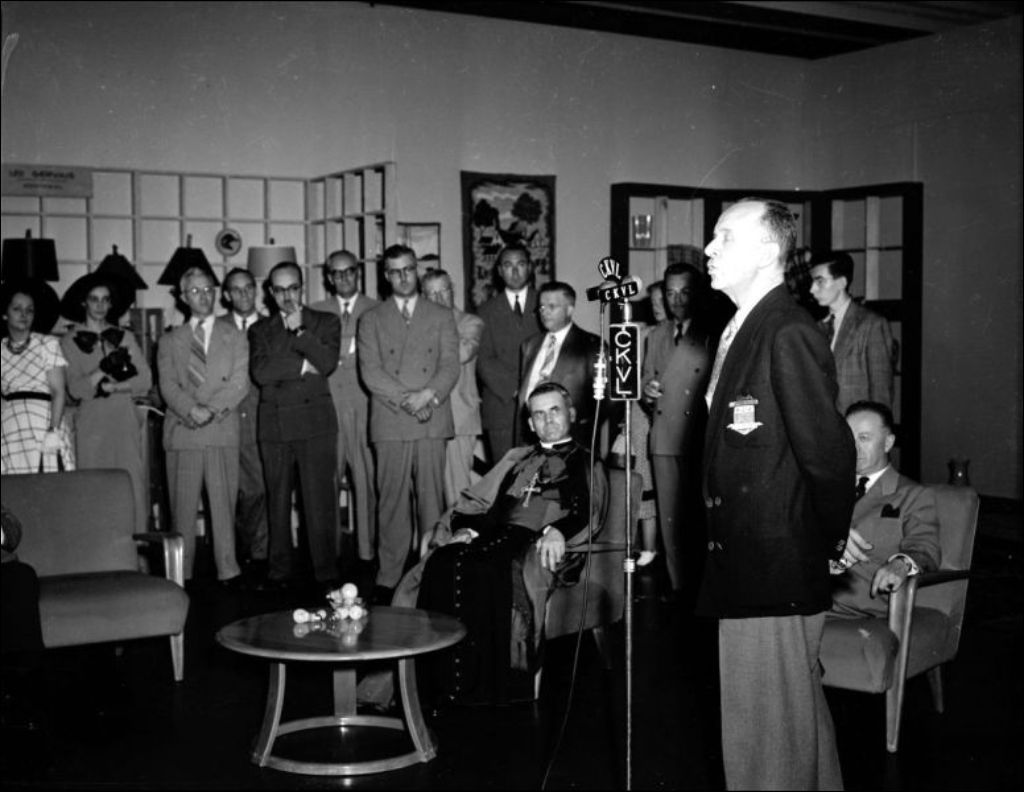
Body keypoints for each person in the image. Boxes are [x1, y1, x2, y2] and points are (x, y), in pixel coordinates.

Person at [700, 198, 855, 790]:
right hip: (749, 560)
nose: (709, 249)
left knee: (766, 737)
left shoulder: (787, 330)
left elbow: (827, 452)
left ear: (769, 250)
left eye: (725, 237)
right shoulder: (742, 326)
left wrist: (827, 539)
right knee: (791, 721)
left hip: (773, 562)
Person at [361, 383, 608, 708]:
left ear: (570, 414)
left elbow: (589, 511)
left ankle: (483, 687)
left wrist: (558, 531)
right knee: (443, 561)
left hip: (535, 543)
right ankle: (429, 682)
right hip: (495, 535)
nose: (548, 420)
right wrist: (464, 528)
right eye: (539, 415)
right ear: (531, 423)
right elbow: (481, 503)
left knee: (489, 570)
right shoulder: (517, 458)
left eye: (554, 411)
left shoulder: (585, 460)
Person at [357, 244, 460, 598]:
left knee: (432, 502)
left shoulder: (441, 315)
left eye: (409, 269)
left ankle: (431, 573)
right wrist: (411, 401)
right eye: (395, 271)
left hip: (432, 418)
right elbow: (371, 372)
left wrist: (428, 395)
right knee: (391, 503)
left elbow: (450, 365)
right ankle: (388, 577)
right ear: (386, 276)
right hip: (391, 420)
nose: (403, 277)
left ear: (417, 270)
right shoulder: (371, 319)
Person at [250, 262, 341, 588]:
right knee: (277, 503)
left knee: (319, 504)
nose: (287, 296)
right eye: (280, 290)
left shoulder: (326, 321)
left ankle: (326, 574)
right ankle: (279, 573)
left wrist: (301, 333)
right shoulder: (259, 330)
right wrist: (303, 364)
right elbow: (261, 373)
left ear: (302, 288)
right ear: (270, 293)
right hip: (275, 425)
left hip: (315, 424)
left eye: (293, 288)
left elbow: (327, 364)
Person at [157, 266, 247, 586]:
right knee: (182, 510)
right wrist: (190, 409)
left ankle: (228, 571)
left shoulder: (235, 336)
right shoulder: (169, 340)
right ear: (183, 297)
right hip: (184, 431)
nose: (203, 296)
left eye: (208, 289)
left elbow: (239, 382)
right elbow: (167, 385)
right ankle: (181, 574)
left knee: (224, 507)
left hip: (220, 430)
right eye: (195, 291)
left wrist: (210, 409)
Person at [828, 401, 940, 619]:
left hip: (858, 609)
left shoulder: (912, 494)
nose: (853, 447)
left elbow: (925, 547)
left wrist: (900, 564)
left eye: (864, 438)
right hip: (805, 598)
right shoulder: (825, 488)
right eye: (848, 438)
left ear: (888, 443)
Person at [60, 272, 152, 533]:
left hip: (123, 419)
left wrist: (113, 387)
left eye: (105, 299)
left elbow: (145, 380)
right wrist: (102, 368)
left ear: (111, 304)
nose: (100, 305)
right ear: (84, 302)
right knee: (93, 485)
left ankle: (136, 548)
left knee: (131, 483)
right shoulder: (69, 341)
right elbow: (76, 389)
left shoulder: (124, 337)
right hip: (92, 423)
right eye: (94, 299)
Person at [640, 263, 712, 596]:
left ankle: (701, 587)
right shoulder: (656, 335)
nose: (677, 300)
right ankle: (677, 586)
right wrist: (647, 390)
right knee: (669, 517)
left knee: (700, 516)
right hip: (665, 436)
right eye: (670, 293)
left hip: (699, 436)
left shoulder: (711, 333)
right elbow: (646, 377)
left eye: (684, 292)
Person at [310, 251, 379, 564]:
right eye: (336, 273)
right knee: (327, 481)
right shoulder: (315, 311)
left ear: (358, 273)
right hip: (329, 406)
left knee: (367, 480)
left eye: (349, 271)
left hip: (365, 405)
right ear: (329, 277)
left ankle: (367, 550)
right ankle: (330, 554)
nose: (343, 278)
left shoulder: (376, 309)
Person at [220, 268, 269, 583]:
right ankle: (230, 553)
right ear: (227, 295)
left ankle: (259, 554)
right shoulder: (216, 327)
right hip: (223, 416)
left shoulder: (271, 325)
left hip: (259, 414)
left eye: (248, 287)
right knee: (227, 490)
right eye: (236, 290)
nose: (244, 295)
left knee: (258, 488)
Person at [421, 268, 485, 505]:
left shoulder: (470, 323)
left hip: (458, 418)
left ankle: (461, 530)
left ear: (453, 291)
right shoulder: (417, 326)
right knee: (427, 494)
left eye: (443, 291)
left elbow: (463, 353)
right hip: (424, 418)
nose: (438, 299)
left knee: (457, 493)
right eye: (432, 294)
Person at [477, 244, 542, 465]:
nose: (514, 271)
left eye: (520, 264)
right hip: (501, 407)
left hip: (540, 404)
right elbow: (483, 360)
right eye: (508, 265)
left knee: (539, 473)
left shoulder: (546, 305)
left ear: (530, 268)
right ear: (499, 271)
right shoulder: (485, 311)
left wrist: (534, 388)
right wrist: (517, 388)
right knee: (504, 475)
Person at [1, 282, 75, 474]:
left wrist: (54, 431)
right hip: (10, 427)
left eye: (29, 310)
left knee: (49, 483)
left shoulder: (47, 344)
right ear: (5, 314)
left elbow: (58, 392)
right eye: (17, 309)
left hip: (44, 423)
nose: (24, 314)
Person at [809, 251, 895, 414]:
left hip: (855, 424)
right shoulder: (816, 328)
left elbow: (881, 391)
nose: (812, 289)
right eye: (812, 282)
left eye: (820, 281)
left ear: (841, 283)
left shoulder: (872, 325)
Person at [516, 281, 601, 447]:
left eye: (552, 306)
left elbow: (606, 403)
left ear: (569, 309)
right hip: (530, 437)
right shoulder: (529, 344)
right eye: (541, 307)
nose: (544, 312)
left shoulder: (590, 345)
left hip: (572, 439)